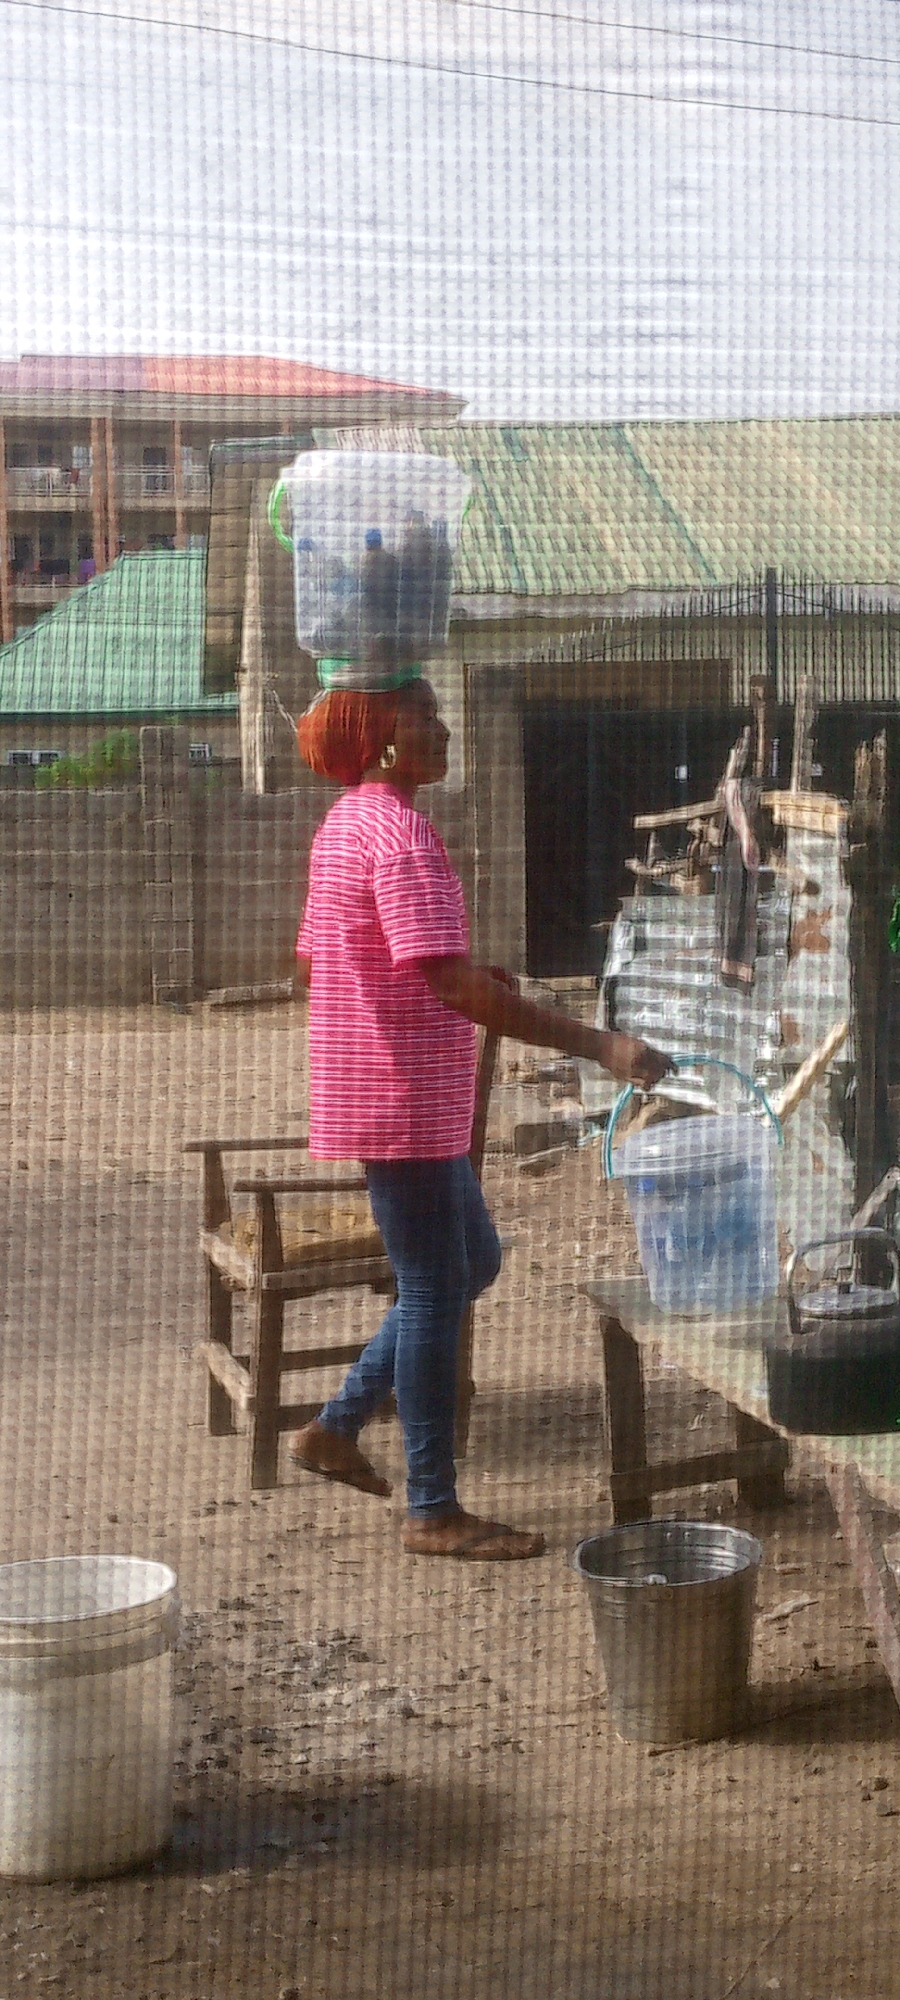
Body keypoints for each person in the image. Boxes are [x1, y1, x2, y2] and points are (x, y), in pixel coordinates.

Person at [292, 676, 671, 1560]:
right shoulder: (399, 835)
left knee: (475, 1263)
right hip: (404, 1095)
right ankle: (431, 1509)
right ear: (382, 735)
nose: (445, 728)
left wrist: (439, 982)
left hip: (389, 1088)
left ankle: (336, 1426)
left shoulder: (347, 823)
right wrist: (600, 1044)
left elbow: (317, 963)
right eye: (425, 714)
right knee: (433, 1287)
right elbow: (449, 984)